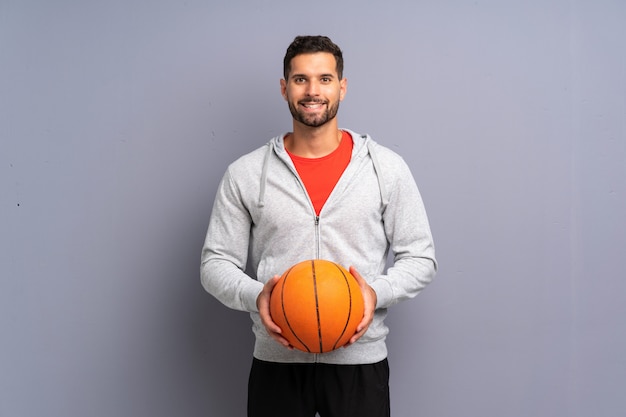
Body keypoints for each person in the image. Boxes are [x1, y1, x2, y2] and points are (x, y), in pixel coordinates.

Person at [201, 35, 437, 417]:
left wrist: (374, 294)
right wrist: (257, 297)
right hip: (277, 362)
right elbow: (214, 264)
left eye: (325, 79)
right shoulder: (245, 173)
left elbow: (421, 258)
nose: (313, 91)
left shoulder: (386, 168)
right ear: (284, 88)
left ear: (342, 86)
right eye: (301, 79)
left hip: (360, 364)